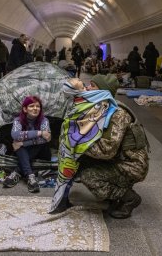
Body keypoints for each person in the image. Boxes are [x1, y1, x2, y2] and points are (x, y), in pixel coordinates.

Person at [77, 74, 149, 219]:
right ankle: (116, 191)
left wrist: (79, 145)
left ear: (104, 91)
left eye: (93, 85)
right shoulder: (105, 107)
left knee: (87, 176)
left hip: (131, 165)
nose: (88, 88)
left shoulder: (117, 114)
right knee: (82, 163)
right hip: (121, 159)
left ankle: (128, 197)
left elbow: (107, 151)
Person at [49, 76, 118, 214]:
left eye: (92, 85)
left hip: (69, 141)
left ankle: (62, 200)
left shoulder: (92, 99)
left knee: (66, 173)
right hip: (71, 141)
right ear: (77, 90)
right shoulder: (94, 99)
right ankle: (61, 202)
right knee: (67, 173)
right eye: (85, 84)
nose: (88, 87)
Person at [3, 96, 51, 193]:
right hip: (24, 152)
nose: (35, 108)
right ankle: (30, 177)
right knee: (19, 146)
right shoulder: (18, 120)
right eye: (31, 106)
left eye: (38, 106)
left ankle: (16, 172)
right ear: (25, 109)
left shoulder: (44, 121)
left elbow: (46, 139)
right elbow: (15, 135)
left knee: (22, 145)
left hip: (42, 153)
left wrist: (23, 143)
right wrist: (39, 133)